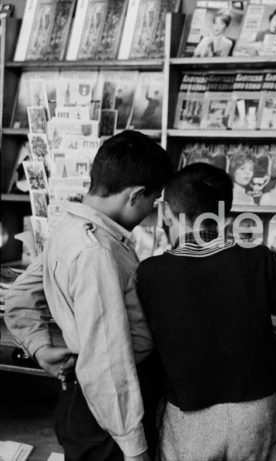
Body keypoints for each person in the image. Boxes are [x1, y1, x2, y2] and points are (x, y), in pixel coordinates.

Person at [136, 163, 276, 460]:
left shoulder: (149, 273)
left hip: (189, 418)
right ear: (226, 218)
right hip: (256, 413)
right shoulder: (255, 260)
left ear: (167, 213)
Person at [4, 130, 173, 461]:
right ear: (136, 195)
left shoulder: (70, 226)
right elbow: (106, 359)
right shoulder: (96, 250)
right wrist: (133, 445)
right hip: (108, 416)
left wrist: (40, 347)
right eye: (152, 201)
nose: (150, 210)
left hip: (86, 401)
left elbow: (20, 294)